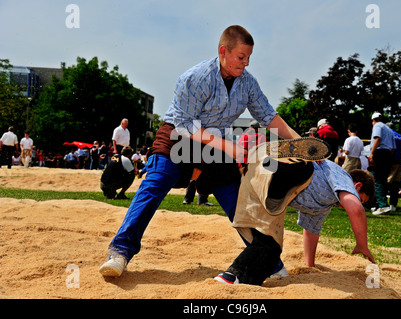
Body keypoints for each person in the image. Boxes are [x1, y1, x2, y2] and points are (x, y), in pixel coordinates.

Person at [99, 25, 326, 277]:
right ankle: (120, 252)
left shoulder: (247, 83)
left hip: (215, 142)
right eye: (241, 57)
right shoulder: (194, 78)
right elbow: (186, 125)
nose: (246, 64)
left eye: (249, 58)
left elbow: (268, 115)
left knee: (238, 201)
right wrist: (230, 147)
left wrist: (302, 144)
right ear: (223, 51)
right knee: (155, 182)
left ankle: (267, 262)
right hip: (178, 137)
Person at [214, 149, 375, 286]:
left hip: (269, 189)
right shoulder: (343, 177)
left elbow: (311, 231)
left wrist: (310, 266)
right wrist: (362, 245)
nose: (356, 200)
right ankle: (235, 276)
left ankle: (246, 275)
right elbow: (356, 209)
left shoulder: (325, 203)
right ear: (357, 186)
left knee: (266, 239)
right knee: (269, 243)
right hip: (287, 171)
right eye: (360, 197)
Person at [368, 112, 396, 215]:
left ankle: (382, 205)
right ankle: (383, 204)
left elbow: (377, 138)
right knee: (383, 180)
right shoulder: (388, 129)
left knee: (377, 179)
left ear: (373, 120)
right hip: (388, 154)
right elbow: (393, 147)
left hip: (380, 153)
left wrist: (372, 153)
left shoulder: (377, 126)